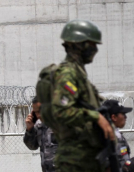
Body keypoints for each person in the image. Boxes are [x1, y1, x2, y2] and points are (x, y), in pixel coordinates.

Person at [50, 20, 114, 172]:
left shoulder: (79, 74)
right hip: (74, 161)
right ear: (77, 45)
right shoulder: (68, 74)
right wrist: (96, 117)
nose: (95, 50)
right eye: (92, 45)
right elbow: (61, 111)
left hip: (87, 159)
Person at [24, 97, 58, 172]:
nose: (38, 115)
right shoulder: (38, 125)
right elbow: (32, 146)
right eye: (36, 112)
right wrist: (29, 129)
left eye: (40, 111)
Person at [103, 99, 133, 169]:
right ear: (114, 117)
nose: (125, 117)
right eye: (123, 114)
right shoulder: (106, 137)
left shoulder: (117, 135)